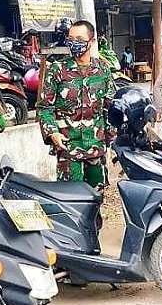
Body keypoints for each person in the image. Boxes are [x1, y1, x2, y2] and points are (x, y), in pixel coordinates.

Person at [38, 19, 116, 188]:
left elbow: (110, 109)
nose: (74, 43)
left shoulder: (102, 70)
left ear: (92, 41)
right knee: (70, 199)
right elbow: (44, 108)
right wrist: (53, 133)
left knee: (96, 197)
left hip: (96, 147)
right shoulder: (58, 70)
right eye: (71, 39)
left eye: (79, 39)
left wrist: (112, 142)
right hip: (68, 149)